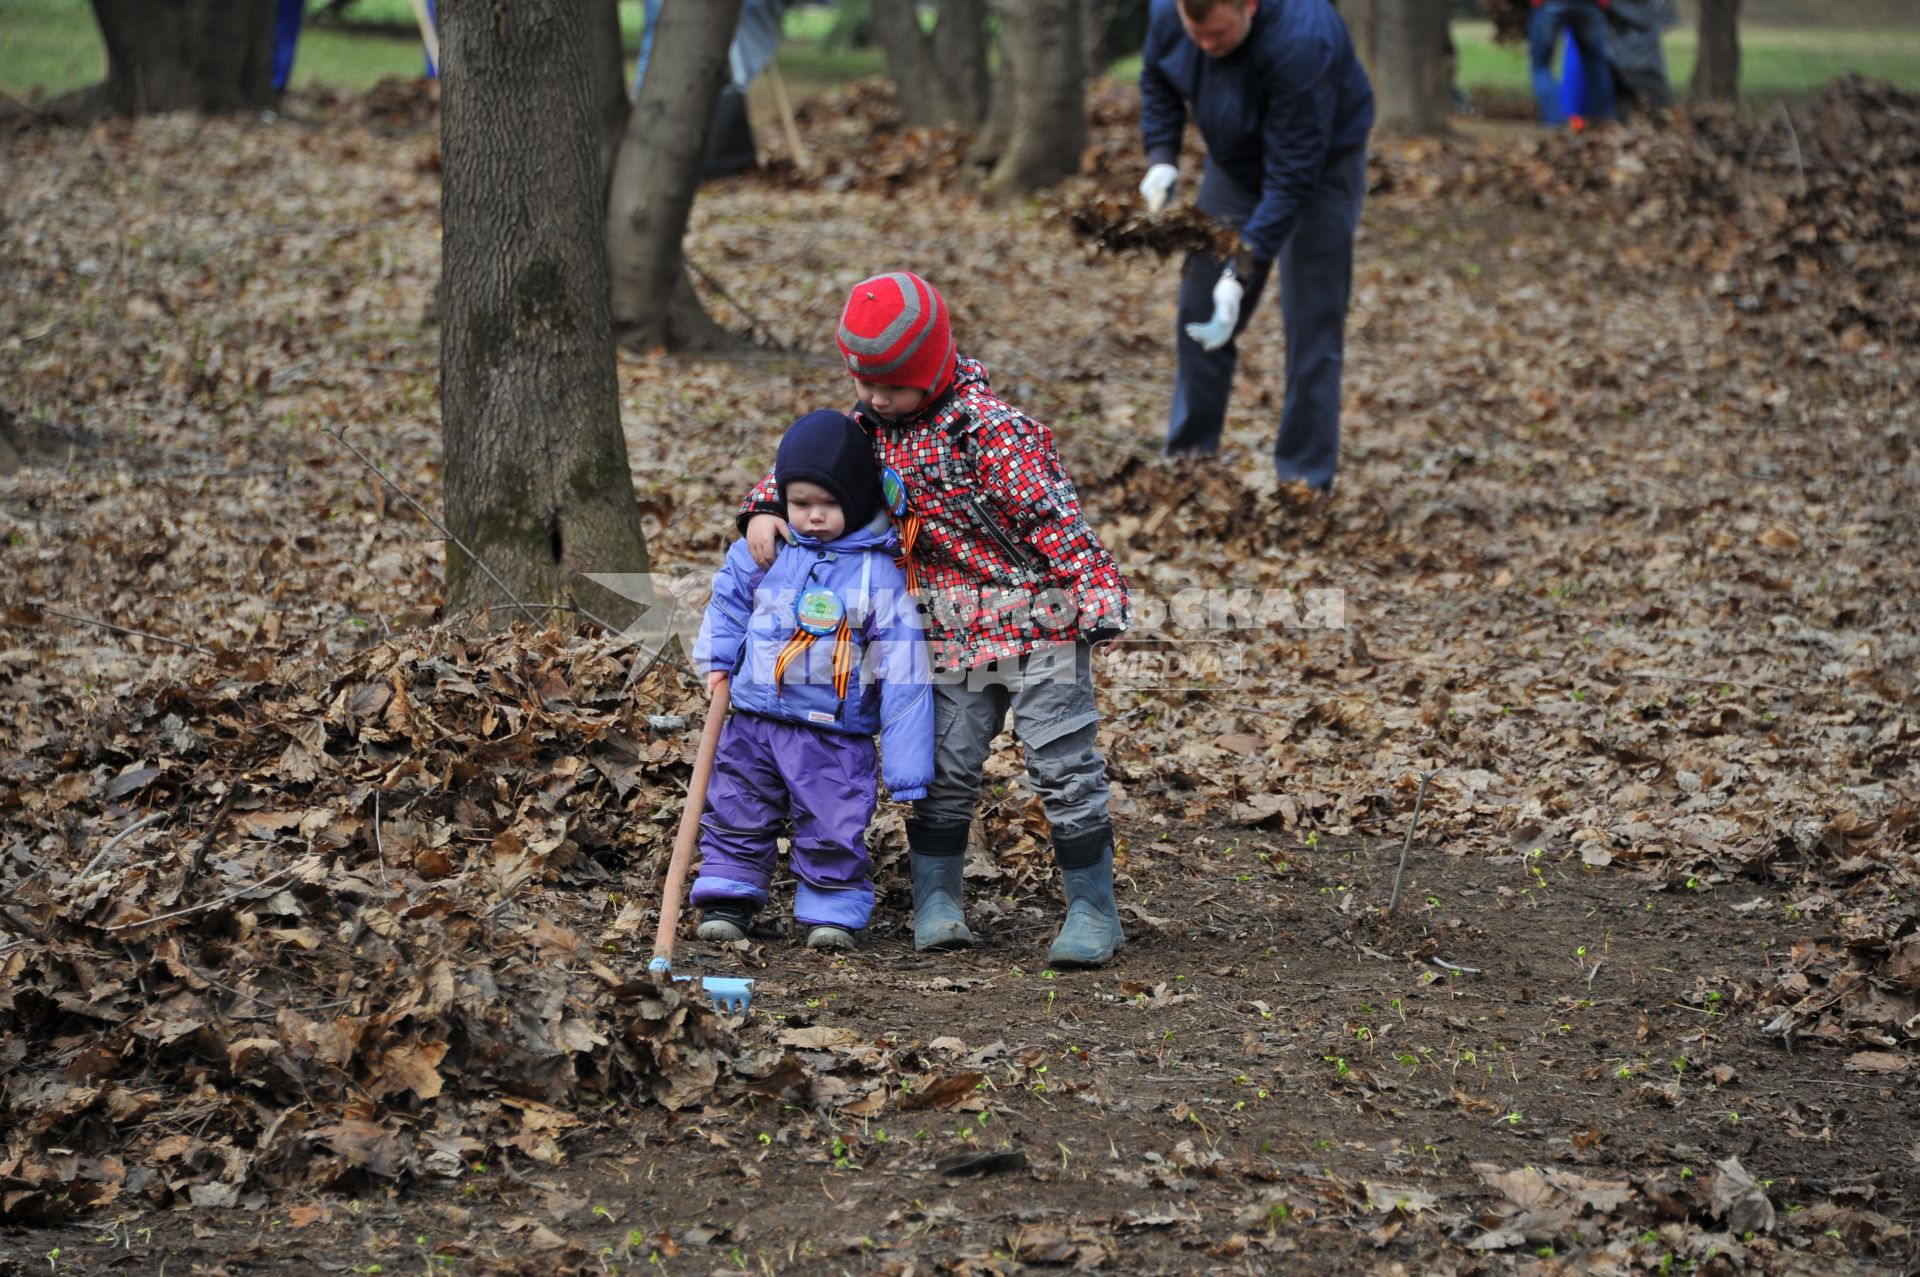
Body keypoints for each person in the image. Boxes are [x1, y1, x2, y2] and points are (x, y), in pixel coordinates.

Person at [737, 272, 1133, 968]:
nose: (877, 397)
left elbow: (1055, 518)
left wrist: (1095, 590)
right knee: (945, 767)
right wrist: (766, 507)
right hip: (945, 630)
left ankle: (1094, 909)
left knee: (1063, 763)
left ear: (933, 366)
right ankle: (938, 900)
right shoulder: (864, 431)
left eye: (893, 384)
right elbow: (809, 463)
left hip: (1042, 622)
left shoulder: (991, 432)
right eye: (866, 382)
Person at [690, 409, 934, 951]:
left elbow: (904, 667)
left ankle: (830, 906)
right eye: (801, 504)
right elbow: (728, 602)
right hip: (753, 718)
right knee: (736, 805)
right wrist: (717, 660)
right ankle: (729, 895)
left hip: (833, 733)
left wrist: (907, 768)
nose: (814, 517)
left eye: (829, 505)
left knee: (832, 820)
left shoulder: (878, 573)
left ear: (856, 501)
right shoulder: (764, 547)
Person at [1138, 0, 1374, 493]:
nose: (1205, 47)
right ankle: (1189, 464)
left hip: (1320, 168)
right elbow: (1158, 75)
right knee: (1198, 308)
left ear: (1249, 5)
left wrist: (1241, 271)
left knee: (1312, 325)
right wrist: (1162, 156)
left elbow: (1291, 180)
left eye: (1218, 35)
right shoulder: (1170, 12)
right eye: (1195, 34)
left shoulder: (1304, 39)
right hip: (1235, 169)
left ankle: (1304, 485)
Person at [1528, 0, 1618, 124]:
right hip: (1589, 5)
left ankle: (1555, 121)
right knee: (1596, 63)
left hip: (1550, 4)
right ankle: (1604, 120)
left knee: (1541, 65)